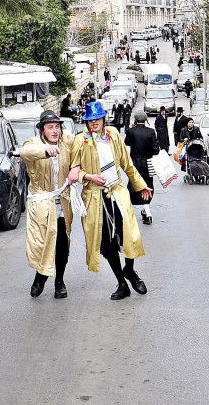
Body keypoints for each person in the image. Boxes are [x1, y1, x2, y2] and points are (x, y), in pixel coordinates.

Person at [68, 101, 151, 300]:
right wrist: (90, 177)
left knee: (130, 233)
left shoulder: (113, 134)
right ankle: (122, 283)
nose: (94, 123)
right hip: (95, 197)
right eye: (90, 120)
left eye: (97, 119)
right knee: (106, 243)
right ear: (86, 122)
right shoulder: (81, 141)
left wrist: (140, 185)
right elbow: (73, 172)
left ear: (104, 119)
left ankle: (129, 270)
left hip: (117, 191)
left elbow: (126, 163)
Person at [21, 111, 76, 299]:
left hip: (63, 200)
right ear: (42, 130)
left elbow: (82, 143)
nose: (54, 131)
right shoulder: (33, 144)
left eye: (57, 126)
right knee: (42, 243)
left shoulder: (66, 142)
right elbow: (25, 153)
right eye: (50, 127)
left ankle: (59, 281)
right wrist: (45, 151)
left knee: (62, 243)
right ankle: (40, 277)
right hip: (42, 203)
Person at [124, 112, 160, 225]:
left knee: (134, 186)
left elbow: (126, 142)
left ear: (135, 119)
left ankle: (130, 213)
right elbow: (156, 150)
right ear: (145, 119)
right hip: (148, 163)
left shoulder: (131, 131)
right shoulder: (151, 131)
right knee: (148, 187)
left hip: (134, 163)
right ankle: (147, 212)